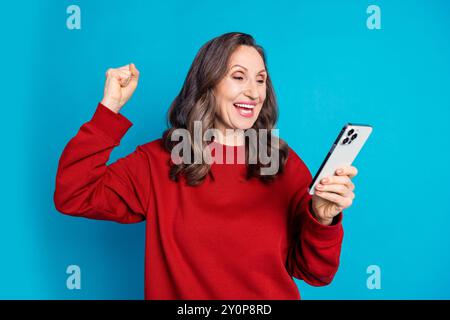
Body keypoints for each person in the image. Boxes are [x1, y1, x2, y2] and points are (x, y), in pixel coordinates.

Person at [54, 32, 357, 300]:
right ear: (208, 84)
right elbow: (75, 193)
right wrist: (110, 109)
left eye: (260, 79)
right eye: (238, 76)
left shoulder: (282, 164)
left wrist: (323, 217)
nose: (254, 92)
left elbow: (316, 273)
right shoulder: (160, 160)